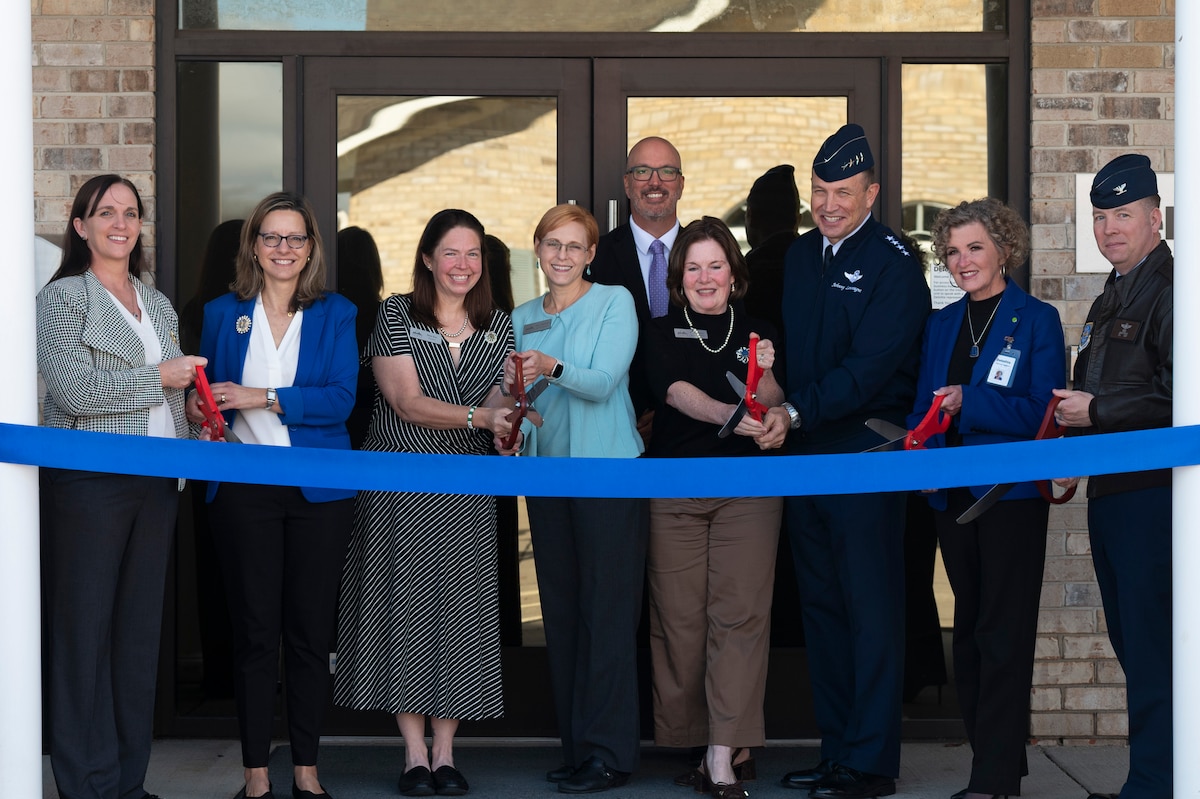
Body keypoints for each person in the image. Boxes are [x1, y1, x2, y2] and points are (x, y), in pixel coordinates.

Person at [335, 209, 517, 798]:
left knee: (458, 616)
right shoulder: (394, 315)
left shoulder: (499, 325)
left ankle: (446, 752)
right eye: (451, 253)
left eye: (473, 254)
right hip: (400, 486)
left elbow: (497, 398)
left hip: (466, 491)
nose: (462, 265)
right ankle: (413, 753)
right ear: (427, 259)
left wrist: (505, 428)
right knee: (404, 610)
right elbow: (406, 401)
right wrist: (479, 417)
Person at [37, 173, 206, 799]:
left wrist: (197, 428)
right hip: (91, 484)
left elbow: (176, 395)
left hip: (158, 482)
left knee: (137, 638)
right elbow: (74, 394)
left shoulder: (156, 302)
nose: (120, 223)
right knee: (85, 635)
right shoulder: (62, 300)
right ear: (80, 226)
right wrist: (158, 377)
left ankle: (127, 783)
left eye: (130, 213)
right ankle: (86, 783)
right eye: (104, 212)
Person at [186, 192, 358, 799]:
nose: (283, 249)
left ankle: (307, 774)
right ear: (253, 246)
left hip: (319, 493)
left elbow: (342, 399)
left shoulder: (337, 313)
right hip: (244, 492)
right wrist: (201, 409)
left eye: (295, 238)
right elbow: (204, 399)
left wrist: (260, 396)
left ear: (311, 248)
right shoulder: (220, 312)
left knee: (310, 636)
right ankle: (256, 777)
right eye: (271, 237)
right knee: (256, 635)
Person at [777, 124, 930, 799]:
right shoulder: (798, 256)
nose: (828, 203)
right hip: (806, 455)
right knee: (823, 607)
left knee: (870, 609)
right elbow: (790, 355)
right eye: (819, 190)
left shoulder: (896, 262)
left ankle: (870, 762)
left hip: (866, 453)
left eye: (842, 191)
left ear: (871, 192)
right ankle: (837, 750)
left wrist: (796, 410)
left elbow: (868, 371)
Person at [912, 199, 1065, 799]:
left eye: (974, 247)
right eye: (952, 251)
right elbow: (923, 409)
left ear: (1004, 248)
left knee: (1004, 636)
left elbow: (1042, 413)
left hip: (1012, 501)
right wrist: (918, 454)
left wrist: (967, 404)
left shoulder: (1037, 319)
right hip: (952, 499)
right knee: (971, 635)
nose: (962, 261)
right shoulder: (941, 324)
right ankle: (992, 764)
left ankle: (995, 778)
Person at [643, 217, 788, 799]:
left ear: (734, 273)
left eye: (716, 265)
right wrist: (733, 418)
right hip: (675, 489)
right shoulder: (657, 331)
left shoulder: (760, 332)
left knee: (740, 618)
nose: (706, 277)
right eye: (694, 267)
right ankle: (702, 741)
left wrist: (769, 379)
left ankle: (723, 754)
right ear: (679, 278)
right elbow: (675, 392)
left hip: (748, 491)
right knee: (679, 622)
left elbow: (773, 399)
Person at [508, 204, 646, 794]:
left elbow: (603, 382)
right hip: (548, 479)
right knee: (562, 616)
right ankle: (576, 748)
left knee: (607, 615)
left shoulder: (615, 302)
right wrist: (514, 424)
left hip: (609, 474)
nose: (561, 256)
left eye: (574, 246)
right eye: (551, 245)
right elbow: (519, 397)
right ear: (536, 250)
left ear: (591, 254)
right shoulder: (520, 316)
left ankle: (609, 754)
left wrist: (552, 365)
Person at [1051, 154, 1172, 799]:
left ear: (1155, 216)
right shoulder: (1113, 292)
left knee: (1154, 648)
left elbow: (1181, 396)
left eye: (1122, 215)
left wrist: (1096, 411)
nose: (1109, 228)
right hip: (1111, 491)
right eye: (1100, 216)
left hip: (1155, 495)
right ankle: (1154, 776)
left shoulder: (1176, 288)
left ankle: (1156, 784)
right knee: (1132, 643)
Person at [589, 135, 685, 429]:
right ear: (627, 184)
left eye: (667, 171)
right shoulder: (595, 257)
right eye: (642, 171)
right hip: (616, 423)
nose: (654, 182)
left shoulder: (711, 256)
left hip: (693, 430)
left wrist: (669, 414)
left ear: (681, 184)